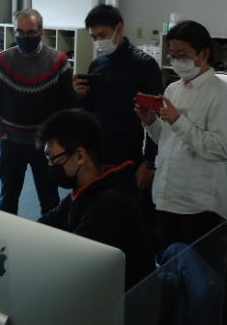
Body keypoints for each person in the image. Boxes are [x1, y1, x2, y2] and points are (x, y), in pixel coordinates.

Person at [135, 20, 227, 256]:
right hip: (167, 197)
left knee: (197, 273)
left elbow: (221, 149)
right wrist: (151, 122)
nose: (176, 61)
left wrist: (178, 121)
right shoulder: (173, 89)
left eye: (182, 55)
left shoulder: (223, 96)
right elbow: (168, 142)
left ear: (203, 54)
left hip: (199, 206)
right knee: (167, 268)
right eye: (172, 55)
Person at [36, 108, 155, 290]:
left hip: (129, 302)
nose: (50, 166)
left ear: (80, 156)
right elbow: (43, 226)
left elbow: (70, 261)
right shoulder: (85, 191)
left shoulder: (111, 204)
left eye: (53, 159)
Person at [0, 9, 74, 215]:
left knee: (50, 200)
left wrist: (56, 138)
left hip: (45, 145)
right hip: (11, 142)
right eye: (20, 32)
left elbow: (66, 105)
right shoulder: (3, 60)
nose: (25, 37)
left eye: (31, 32)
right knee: (8, 198)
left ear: (41, 31)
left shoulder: (59, 62)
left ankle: (49, 236)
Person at [74, 4, 163, 199]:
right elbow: (88, 111)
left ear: (119, 28)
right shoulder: (97, 64)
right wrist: (81, 96)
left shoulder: (145, 65)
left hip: (129, 154)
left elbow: (156, 117)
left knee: (125, 209)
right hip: (96, 152)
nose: (99, 41)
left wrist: (148, 163)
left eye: (103, 35)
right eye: (94, 37)